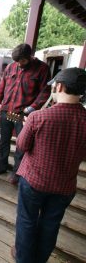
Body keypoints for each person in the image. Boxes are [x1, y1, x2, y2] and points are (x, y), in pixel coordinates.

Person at [13, 68, 86, 262]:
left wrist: (28, 126)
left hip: (34, 181)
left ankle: (24, 259)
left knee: (27, 221)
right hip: (65, 185)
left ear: (60, 86)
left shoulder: (38, 117)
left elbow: (21, 146)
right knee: (50, 224)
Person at [0, 43, 51, 184]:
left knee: (21, 144)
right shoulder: (11, 67)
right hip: (7, 111)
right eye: (16, 61)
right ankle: (1, 166)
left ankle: (17, 173)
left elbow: (45, 91)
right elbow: (2, 85)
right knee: (3, 141)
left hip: (22, 114)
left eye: (22, 61)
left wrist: (32, 107)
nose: (18, 64)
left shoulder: (42, 68)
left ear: (30, 56)